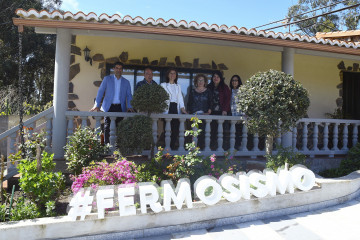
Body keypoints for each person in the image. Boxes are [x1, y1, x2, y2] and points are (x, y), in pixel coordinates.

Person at [90, 62, 134, 144]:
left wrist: (130, 106)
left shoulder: (126, 82)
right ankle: (107, 147)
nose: (118, 70)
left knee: (119, 127)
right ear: (113, 69)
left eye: (120, 68)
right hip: (108, 107)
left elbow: (129, 95)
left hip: (120, 107)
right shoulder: (107, 79)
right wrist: (96, 104)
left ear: (122, 70)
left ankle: (117, 148)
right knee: (107, 127)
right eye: (117, 68)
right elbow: (100, 92)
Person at [160, 68, 187, 149]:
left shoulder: (178, 86)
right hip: (167, 108)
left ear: (176, 75)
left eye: (174, 73)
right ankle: (166, 147)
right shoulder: (163, 85)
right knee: (167, 129)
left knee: (175, 130)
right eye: (171, 73)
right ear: (168, 75)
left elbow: (180, 98)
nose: (172, 75)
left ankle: (171, 147)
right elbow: (161, 98)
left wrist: (182, 108)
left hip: (175, 109)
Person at [187, 73, 213, 149]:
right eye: (199, 80)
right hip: (194, 115)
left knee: (203, 133)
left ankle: (201, 149)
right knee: (193, 133)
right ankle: (192, 150)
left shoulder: (208, 91)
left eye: (202, 80)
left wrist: (210, 110)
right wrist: (188, 112)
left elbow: (211, 102)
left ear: (205, 82)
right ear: (196, 82)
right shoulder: (192, 91)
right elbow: (189, 103)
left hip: (205, 115)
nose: (200, 82)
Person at [208, 71, 231, 150]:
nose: (216, 78)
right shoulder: (209, 87)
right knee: (212, 130)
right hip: (211, 112)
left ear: (220, 78)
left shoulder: (224, 87)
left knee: (222, 130)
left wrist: (225, 110)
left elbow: (228, 99)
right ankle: (212, 146)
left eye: (218, 77)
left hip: (222, 112)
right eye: (214, 76)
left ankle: (223, 147)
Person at [230, 74, 243, 149]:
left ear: (239, 82)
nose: (234, 82)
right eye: (233, 80)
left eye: (236, 80)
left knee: (239, 132)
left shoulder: (242, 91)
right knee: (233, 132)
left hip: (239, 114)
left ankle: (238, 146)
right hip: (232, 114)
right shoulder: (230, 91)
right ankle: (233, 147)